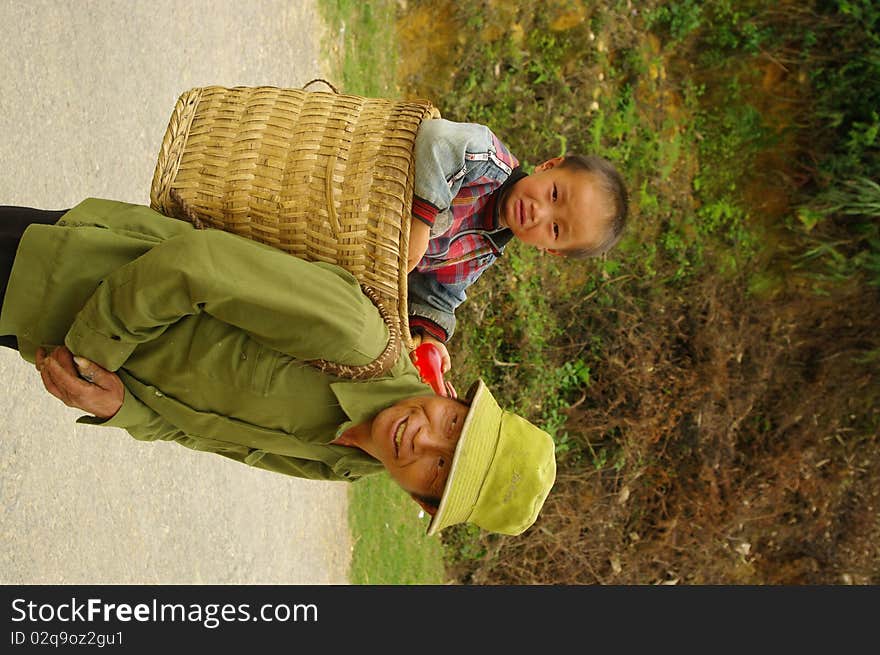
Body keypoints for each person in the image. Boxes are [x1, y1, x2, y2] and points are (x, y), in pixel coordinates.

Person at [0, 199, 556, 536]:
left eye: (439, 470)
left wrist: (120, 408)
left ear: (419, 498)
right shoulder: (358, 341)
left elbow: (209, 435)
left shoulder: (343, 465)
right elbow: (197, 264)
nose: (423, 440)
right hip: (61, 270)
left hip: (50, 336)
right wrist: (93, 353)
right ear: (452, 395)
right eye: (452, 427)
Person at [406, 118, 629, 373]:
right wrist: (422, 219)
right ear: (549, 165)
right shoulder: (488, 161)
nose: (539, 212)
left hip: (367, 250)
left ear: (550, 249)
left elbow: (440, 291)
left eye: (555, 229)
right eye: (554, 194)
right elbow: (436, 138)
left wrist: (431, 335)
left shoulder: (482, 251)